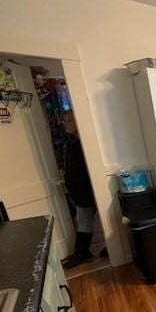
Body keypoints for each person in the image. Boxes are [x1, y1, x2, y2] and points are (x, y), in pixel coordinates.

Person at [62, 111, 97, 268]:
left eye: (69, 120)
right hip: (80, 191)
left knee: (84, 220)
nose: (65, 123)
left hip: (88, 190)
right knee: (83, 220)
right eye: (65, 120)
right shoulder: (72, 143)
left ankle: (81, 253)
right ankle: (83, 252)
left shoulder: (83, 143)